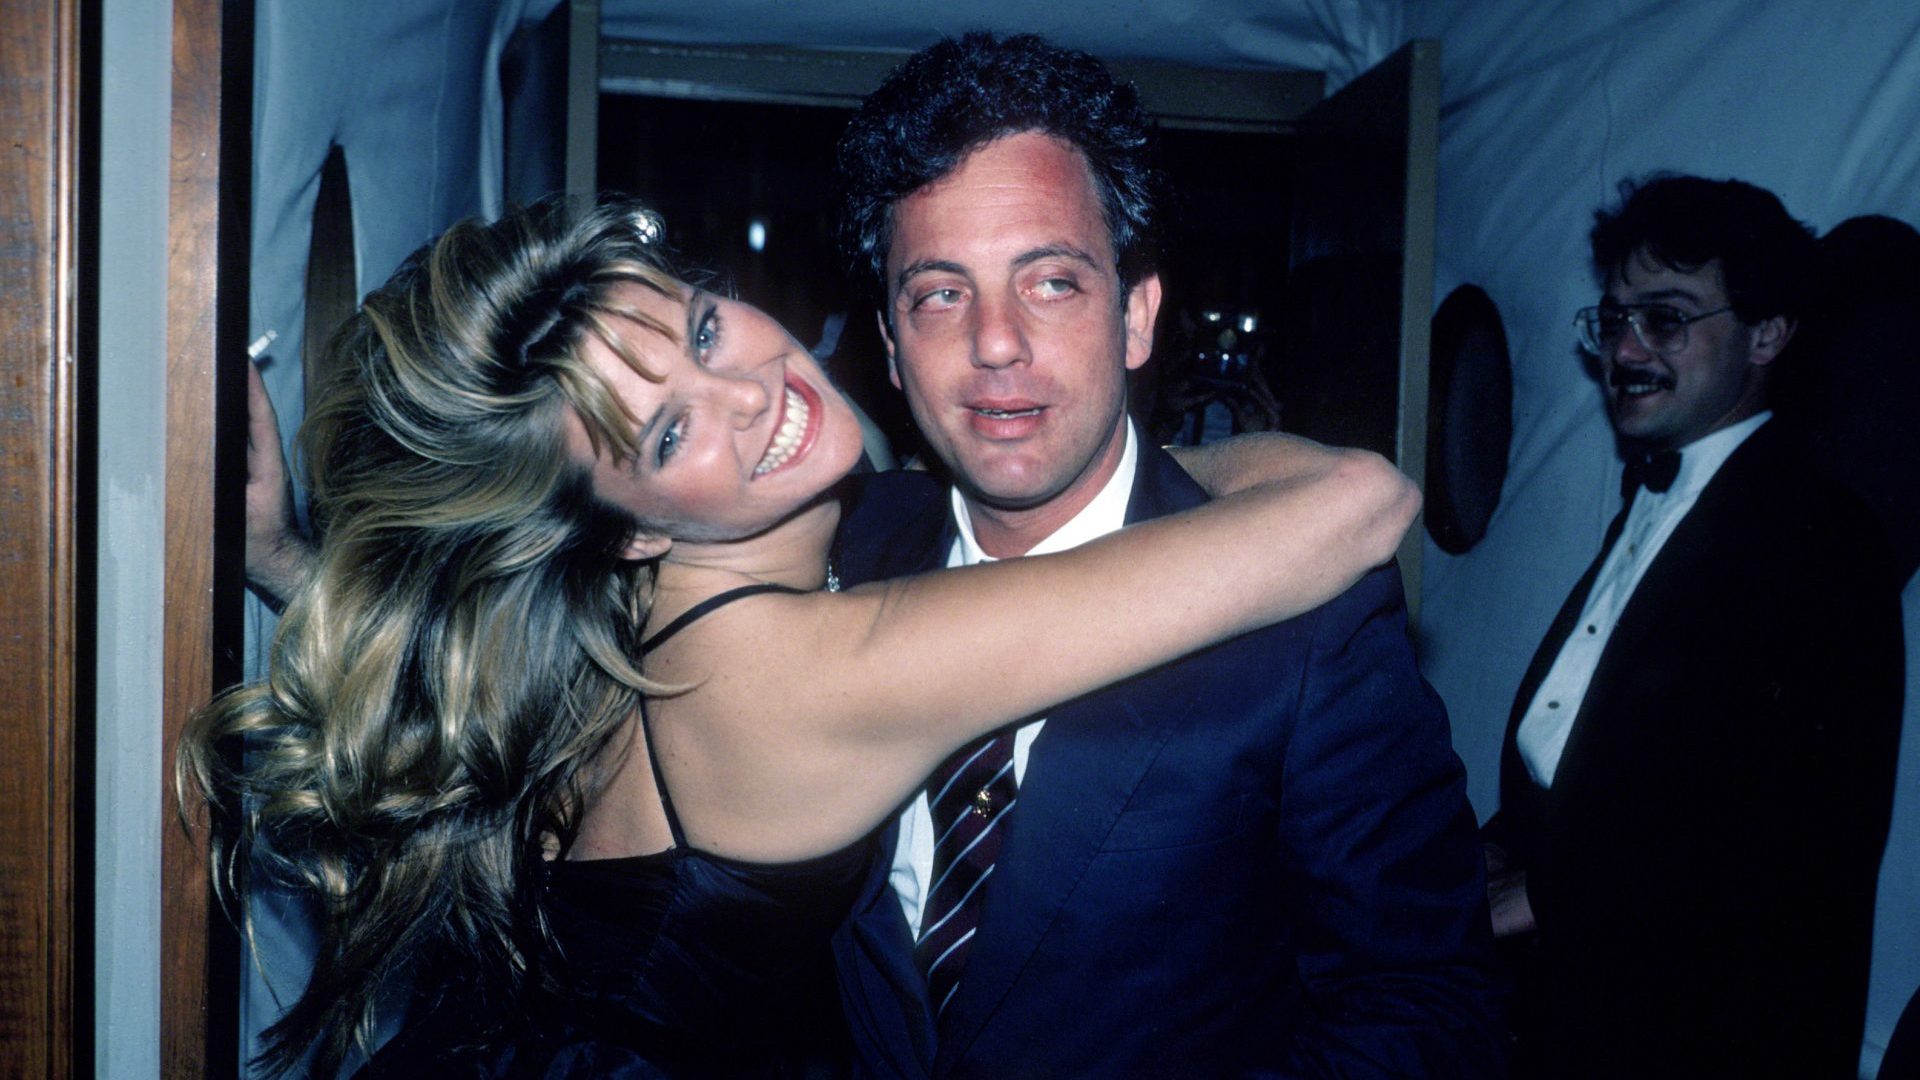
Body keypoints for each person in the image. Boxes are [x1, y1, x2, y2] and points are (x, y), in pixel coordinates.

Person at [185, 193, 1419, 1077]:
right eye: (667, 437)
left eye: (709, 330)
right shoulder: (783, 679)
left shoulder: (626, 610)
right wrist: (1134, 463)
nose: (753, 395)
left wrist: (287, 561)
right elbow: (1360, 503)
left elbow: (470, 672)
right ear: (628, 530)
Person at [827, 33, 1503, 1077]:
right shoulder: (842, 554)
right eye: (941, 293)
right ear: (888, 342)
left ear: (1137, 316)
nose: (995, 343)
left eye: (1050, 283)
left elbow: (1424, 1006)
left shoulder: (1308, 612)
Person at [1482, 174, 1905, 1078]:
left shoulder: (1823, 540)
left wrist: (1538, 900)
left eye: (1666, 319)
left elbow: (1778, 837)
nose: (1625, 350)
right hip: (1569, 1018)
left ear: (1768, 334)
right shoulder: (1662, 497)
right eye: (1614, 318)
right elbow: (1592, 754)